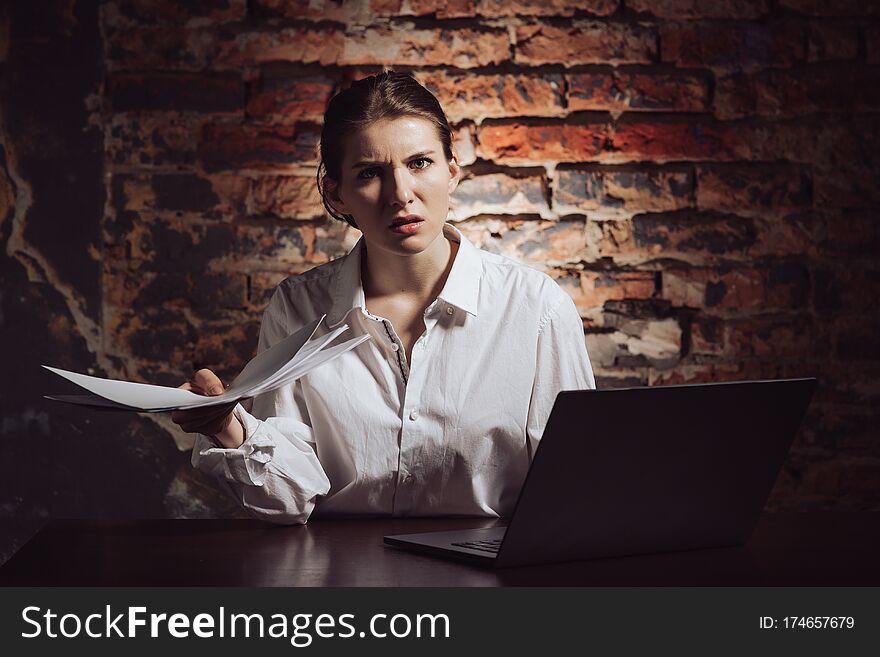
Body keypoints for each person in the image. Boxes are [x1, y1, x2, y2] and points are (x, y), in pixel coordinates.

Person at [172, 70, 596, 524]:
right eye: (371, 172)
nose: (400, 194)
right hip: (340, 578)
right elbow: (289, 500)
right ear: (337, 193)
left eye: (419, 163)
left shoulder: (536, 309)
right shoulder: (297, 308)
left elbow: (577, 486)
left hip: (491, 575)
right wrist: (227, 429)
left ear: (452, 171)